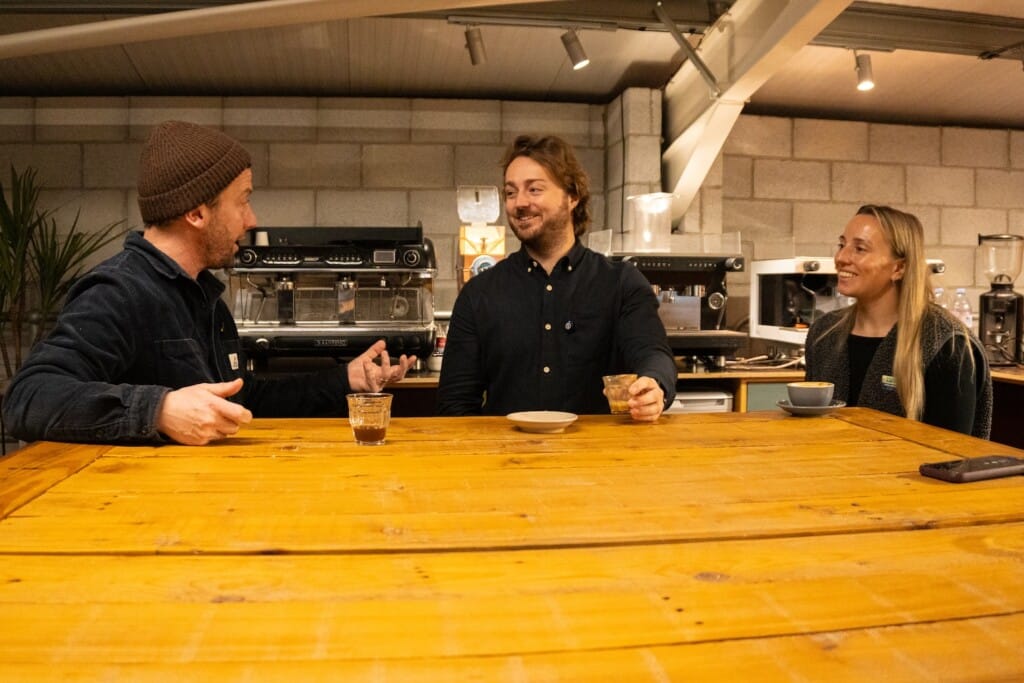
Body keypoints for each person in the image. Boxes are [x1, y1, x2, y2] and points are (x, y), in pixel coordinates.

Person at [2, 120, 415, 446]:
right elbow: (29, 398)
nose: (251, 220)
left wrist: (345, 380)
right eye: (243, 200)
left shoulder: (207, 301)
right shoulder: (119, 292)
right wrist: (158, 410)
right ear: (197, 214)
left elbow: (243, 402)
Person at [437, 134, 676, 421]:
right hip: (507, 458)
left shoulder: (621, 283)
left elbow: (653, 353)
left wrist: (654, 385)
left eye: (534, 190)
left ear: (572, 196)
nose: (519, 203)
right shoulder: (479, 294)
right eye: (511, 193)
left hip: (598, 457)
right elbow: (456, 404)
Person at [804, 204, 992, 438]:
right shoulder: (824, 334)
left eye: (860, 249)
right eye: (842, 245)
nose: (841, 257)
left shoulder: (947, 344)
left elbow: (953, 454)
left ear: (899, 268)